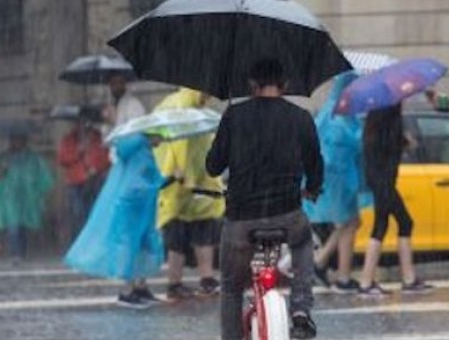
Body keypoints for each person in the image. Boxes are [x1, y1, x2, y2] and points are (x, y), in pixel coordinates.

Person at [206, 59, 322, 340]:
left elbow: (213, 166)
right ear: (285, 85)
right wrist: (313, 188)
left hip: (241, 218)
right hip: (287, 214)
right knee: (304, 241)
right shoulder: (301, 117)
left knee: (232, 286)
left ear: (252, 85)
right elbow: (315, 165)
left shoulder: (234, 115)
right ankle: (301, 310)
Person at [65, 133, 166, 309]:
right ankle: (128, 290)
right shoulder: (141, 153)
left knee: (140, 246)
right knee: (130, 247)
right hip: (134, 207)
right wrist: (164, 181)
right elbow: (139, 183)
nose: (164, 139)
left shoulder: (137, 151)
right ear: (151, 135)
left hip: (139, 207)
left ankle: (139, 288)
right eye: (161, 135)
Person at [153, 88, 225, 301]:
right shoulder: (182, 108)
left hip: (197, 182)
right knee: (180, 236)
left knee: (201, 232)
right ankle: (177, 283)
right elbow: (180, 146)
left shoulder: (192, 107)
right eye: (205, 93)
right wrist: (186, 176)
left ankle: (205, 279)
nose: (208, 97)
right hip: (181, 183)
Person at [357, 103, 434, 297]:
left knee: (388, 225)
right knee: (399, 224)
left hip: (380, 182)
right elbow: (394, 149)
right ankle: (372, 282)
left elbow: (389, 150)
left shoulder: (376, 126)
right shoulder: (391, 126)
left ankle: (401, 279)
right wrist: (405, 140)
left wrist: (404, 141)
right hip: (385, 184)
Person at [303, 71, 367, 293]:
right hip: (337, 181)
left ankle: (324, 265)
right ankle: (340, 276)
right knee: (348, 224)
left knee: (350, 223)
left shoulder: (338, 113)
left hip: (341, 179)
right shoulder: (337, 117)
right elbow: (341, 146)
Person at [0, 133, 54, 263]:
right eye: (13, 139)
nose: (15, 142)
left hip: (27, 198)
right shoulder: (4, 157)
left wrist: (38, 192)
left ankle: (21, 252)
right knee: (13, 225)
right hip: (9, 198)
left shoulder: (32, 158)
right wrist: (2, 170)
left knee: (23, 227)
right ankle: (16, 253)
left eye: (19, 139)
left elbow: (44, 177)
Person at [57, 113, 111, 242]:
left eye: (86, 123)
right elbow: (62, 159)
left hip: (94, 180)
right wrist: (78, 152)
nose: (83, 126)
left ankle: (94, 241)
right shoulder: (68, 139)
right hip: (75, 182)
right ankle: (80, 241)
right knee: (77, 213)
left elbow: (106, 158)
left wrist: (96, 168)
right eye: (80, 123)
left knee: (94, 212)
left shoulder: (98, 138)